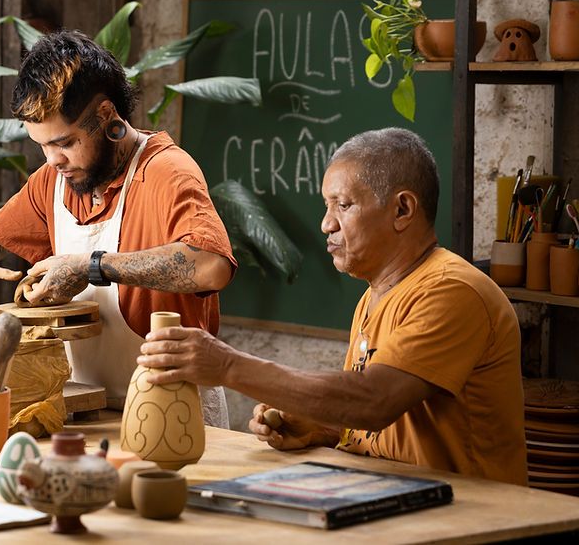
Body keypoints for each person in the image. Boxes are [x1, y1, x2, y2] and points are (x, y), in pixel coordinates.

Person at [137, 127, 527, 485]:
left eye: (343, 205)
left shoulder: (451, 290)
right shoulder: (376, 295)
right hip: (392, 495)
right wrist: (323, 428)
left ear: (402, 210)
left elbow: (376, 400)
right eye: (327, 206)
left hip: (463, 513)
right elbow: (377, 417)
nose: (326, 224)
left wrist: (226, 365)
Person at [0, 30, 236, 425]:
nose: (53, 160)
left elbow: (212, 265)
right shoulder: (53, 182)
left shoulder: (167, 173)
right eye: (43, 146)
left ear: (105, 116)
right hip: (86, 414)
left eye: (64, 143)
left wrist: (92, 266)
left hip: (174, 416)